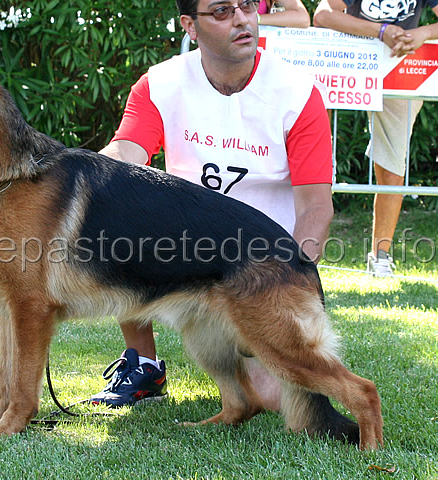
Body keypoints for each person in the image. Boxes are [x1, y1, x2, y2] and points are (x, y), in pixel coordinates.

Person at [90, 0, 334, 409]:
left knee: (269, 397)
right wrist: (87, 171)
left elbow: (316, 208)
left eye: (246, 6)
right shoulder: (159, 83)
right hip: (185, 250)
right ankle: (142, 362)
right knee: (115, 211)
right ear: (190, 26)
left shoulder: (297, 92)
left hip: (261, 261)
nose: (241, 18)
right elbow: (125, 152)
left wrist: (292, 283)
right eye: (221, 11)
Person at [314, 0, 438, 276]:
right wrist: (380, 31)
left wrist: (424, 33)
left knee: (392, 167)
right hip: (347, 63)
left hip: (401, 68)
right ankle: (305, 251)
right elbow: (322, 13)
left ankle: (381, 256)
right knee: (313, 164)